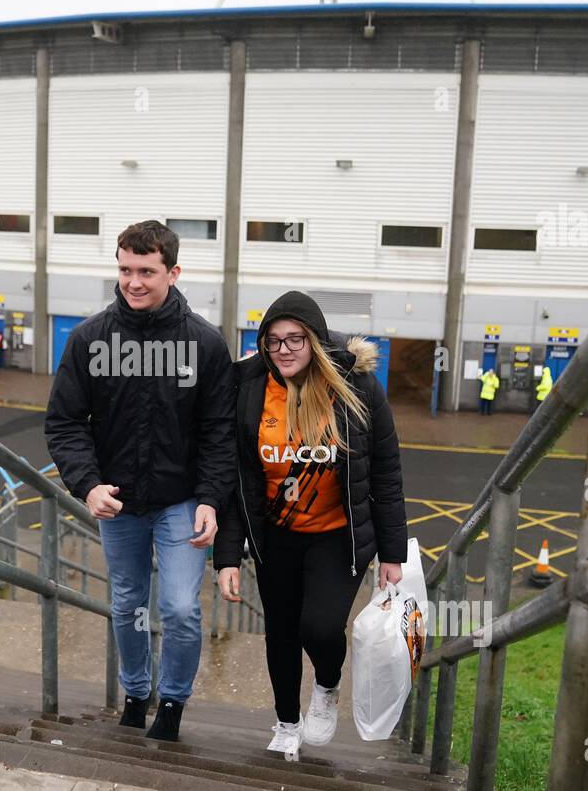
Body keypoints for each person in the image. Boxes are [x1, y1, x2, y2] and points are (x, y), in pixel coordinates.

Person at [45, 220, 235, 742]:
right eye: (125, 269)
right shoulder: (89, 339)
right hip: (119, 504)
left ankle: (171, 702)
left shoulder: (206, 344)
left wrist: (211, 500)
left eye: (146, 271)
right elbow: (64, 422)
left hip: (180, 503)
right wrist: (88, 485)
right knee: (127, 604)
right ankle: (135, 693)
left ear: (173, 272)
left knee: (177, 606)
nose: (133, 281)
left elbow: (220, 432)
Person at [212, 291, 408, 760]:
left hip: (336, 536)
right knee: (280, 632)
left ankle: (326, 684)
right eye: (273, 340)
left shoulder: (356, 387)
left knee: (319, 628)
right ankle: (285, 721)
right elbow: (238, 479)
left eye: (295, 338)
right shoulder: (249, 389)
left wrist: (393, 554)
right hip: (275, 537)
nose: (284, 349)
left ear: (315, 341)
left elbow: (385, 470)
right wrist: (226, 557)